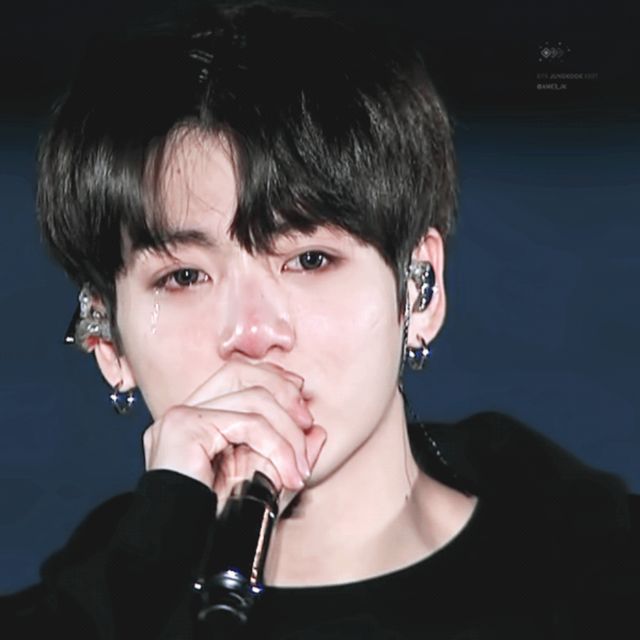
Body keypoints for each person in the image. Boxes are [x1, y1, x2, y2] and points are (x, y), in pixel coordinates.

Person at [2, 3, 638, 639]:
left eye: (309, 259)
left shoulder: (603, 573)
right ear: (106, 339)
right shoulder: (90, 613)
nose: (253, 334)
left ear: (420, 289)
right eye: (184, 277)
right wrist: (145, 570)